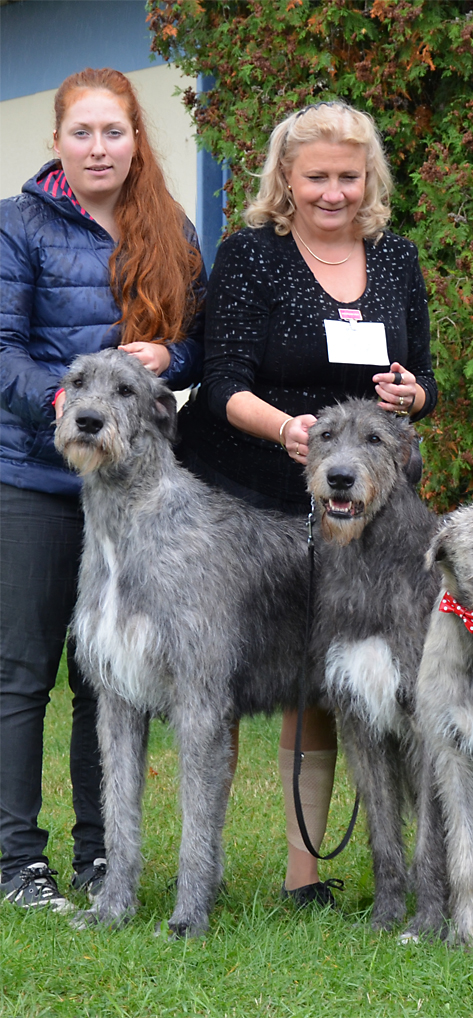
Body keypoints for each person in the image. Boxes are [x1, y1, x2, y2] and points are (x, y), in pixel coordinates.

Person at [176, 101, 437, 906]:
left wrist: (415, 393)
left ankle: (304, 877)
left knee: (325, 679)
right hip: (247, 493)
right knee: (213, 676)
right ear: (285, 178)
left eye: (348, 177)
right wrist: (290, 429)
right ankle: (200, 873)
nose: (333, 193)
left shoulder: (395, 257)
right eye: (316, 176)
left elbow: (425, 375)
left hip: (356, 508)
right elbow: (222, 384)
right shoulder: (252, 254)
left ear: (370, 178)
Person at [0, 68, 205, 911]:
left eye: (113, 132)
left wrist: (169, 359)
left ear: (135, 140)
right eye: (81, 133)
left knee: (109, 678)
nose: (98, 148)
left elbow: (196, 345)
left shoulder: (168, 225)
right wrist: (72, 407)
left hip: (139, 496)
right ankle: (16, 861)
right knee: (23, 672)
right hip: (35, 479)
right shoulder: (19, 226)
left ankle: (99, 855)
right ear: (57, 142)